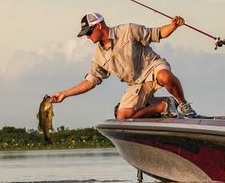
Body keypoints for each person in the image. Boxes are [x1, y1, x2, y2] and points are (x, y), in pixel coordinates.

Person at [49, 12, 199, 119]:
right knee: (123, 117)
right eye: (85, 34)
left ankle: (183, 105)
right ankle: (163, 106)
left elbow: (158, 33)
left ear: (99, 26)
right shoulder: (98, 56)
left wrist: (173, 25)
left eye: (89, 32)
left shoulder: (127, 30)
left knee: (164, 76)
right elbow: (90, 81)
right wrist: (64, 94)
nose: (88, 37)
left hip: (152, 68)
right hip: (136, 84)